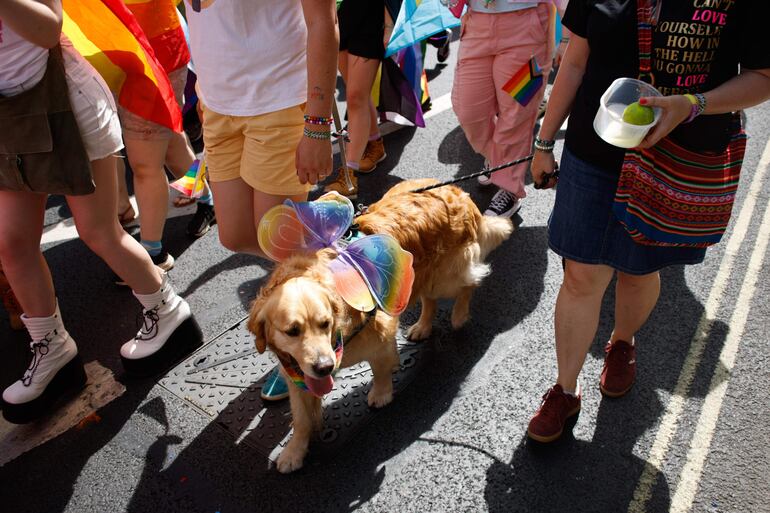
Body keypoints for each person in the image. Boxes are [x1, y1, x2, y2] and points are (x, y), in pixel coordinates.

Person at [527, 0, 770, 443]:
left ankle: (621, 342)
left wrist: (692, 105)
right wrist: (543, 142)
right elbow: (576, 61)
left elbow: (762, 77)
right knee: (580, 276)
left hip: (674, 160)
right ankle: (565, 389)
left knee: (637, 274)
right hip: (592, 153)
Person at [0, 0, 201, 423]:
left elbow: (48, 27)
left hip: (66, 106)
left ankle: (168, 313)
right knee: (12, 244)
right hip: (9, 124)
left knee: (99, 231)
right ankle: (52, 349)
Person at [183, 0, 338, 400]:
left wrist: (318, 126)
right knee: (234, 235)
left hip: (279, 99)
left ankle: (304, 359)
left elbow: (322, 20)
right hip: (217, 105)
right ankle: (326, 261)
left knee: (282, 249)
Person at [114, 0, 214, 279]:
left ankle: (153, 252)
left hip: (154, 55)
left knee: (145, 162)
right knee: (168, 140)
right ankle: (206, 198)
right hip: (132, 53)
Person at [452, 0, 561, 218]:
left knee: (517, 114)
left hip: (528, 28)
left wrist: (567, 35)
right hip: (477, 24)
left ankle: (510, 189)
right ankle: (499, 158)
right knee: (467, 109)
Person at [324, 0, 388, 199]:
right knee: (356, 92)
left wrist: (389, 25)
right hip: (341, 14)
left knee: (355, 97)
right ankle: (375, 144)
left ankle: (348, 177)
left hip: (372, 18)